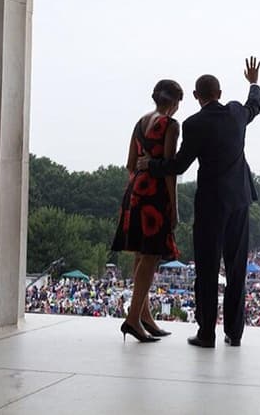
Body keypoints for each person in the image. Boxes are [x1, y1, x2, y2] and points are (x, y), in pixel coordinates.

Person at [140, 57, 260, 348]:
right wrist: (254, 82)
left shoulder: (194, 124)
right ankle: (234, 333)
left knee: (207, 271)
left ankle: (206, 332)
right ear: (219, 93)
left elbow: (179, 165)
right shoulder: (235, 113)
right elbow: (254, 106)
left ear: (196, 97)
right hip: (240, 201)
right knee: (236, 270)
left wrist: (150, 165)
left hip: (210, 205)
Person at [111, 79, 183, 343]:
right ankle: (132, 319)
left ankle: (144, 316)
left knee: (141, 255)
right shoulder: (171, 125)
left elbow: (131, 163)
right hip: (155, 195)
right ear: (175, 102)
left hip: (135, 190)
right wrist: (174, 207)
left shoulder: (140, 122)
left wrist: (140, 178)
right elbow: (169, 170)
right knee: (151, 256)